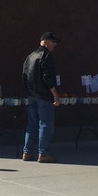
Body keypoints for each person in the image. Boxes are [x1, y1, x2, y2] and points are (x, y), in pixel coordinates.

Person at [21, 31, 61, 163]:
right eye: (52, 41)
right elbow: (47, 77)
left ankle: (27, 152)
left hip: (31, 95)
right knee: (45, 125)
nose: (54, 44)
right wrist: (55, 95)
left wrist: (28, 92)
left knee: (32, 124)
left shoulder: (30, 56)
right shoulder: (46, 55)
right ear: (44, 41)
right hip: (44, 96)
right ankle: (43, 153)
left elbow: (24, 76)